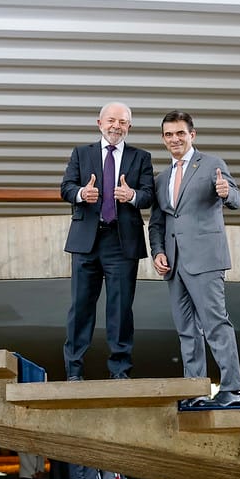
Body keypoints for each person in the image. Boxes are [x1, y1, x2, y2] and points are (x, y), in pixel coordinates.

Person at [148, 109, 240, 407]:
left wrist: (226, 192)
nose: (174, 139)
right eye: (168, 134)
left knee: (215, 324)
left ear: (192, 135)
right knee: (187, 331)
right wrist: (158, 251)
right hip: (174, 263)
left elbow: (237, 199)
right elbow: (157, 223)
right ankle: (196, 391)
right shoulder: (161, 179)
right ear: (163, 139)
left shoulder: (213, 164)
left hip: (205, 260)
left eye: (180, 133)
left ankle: (232, 389)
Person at [60, 102, 155, 381]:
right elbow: (66, 188)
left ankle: (120, 370)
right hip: (86, 241)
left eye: (122, 122)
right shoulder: (81, 153)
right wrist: (81, 194)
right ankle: (74, 371)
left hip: (121, 241)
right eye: (111, 120)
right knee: (80, 307)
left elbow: (149, 195)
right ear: (99, 123)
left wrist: (132, 196)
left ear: (129, 127)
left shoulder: (141, 157)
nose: (116, 126)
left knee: (120, 308)